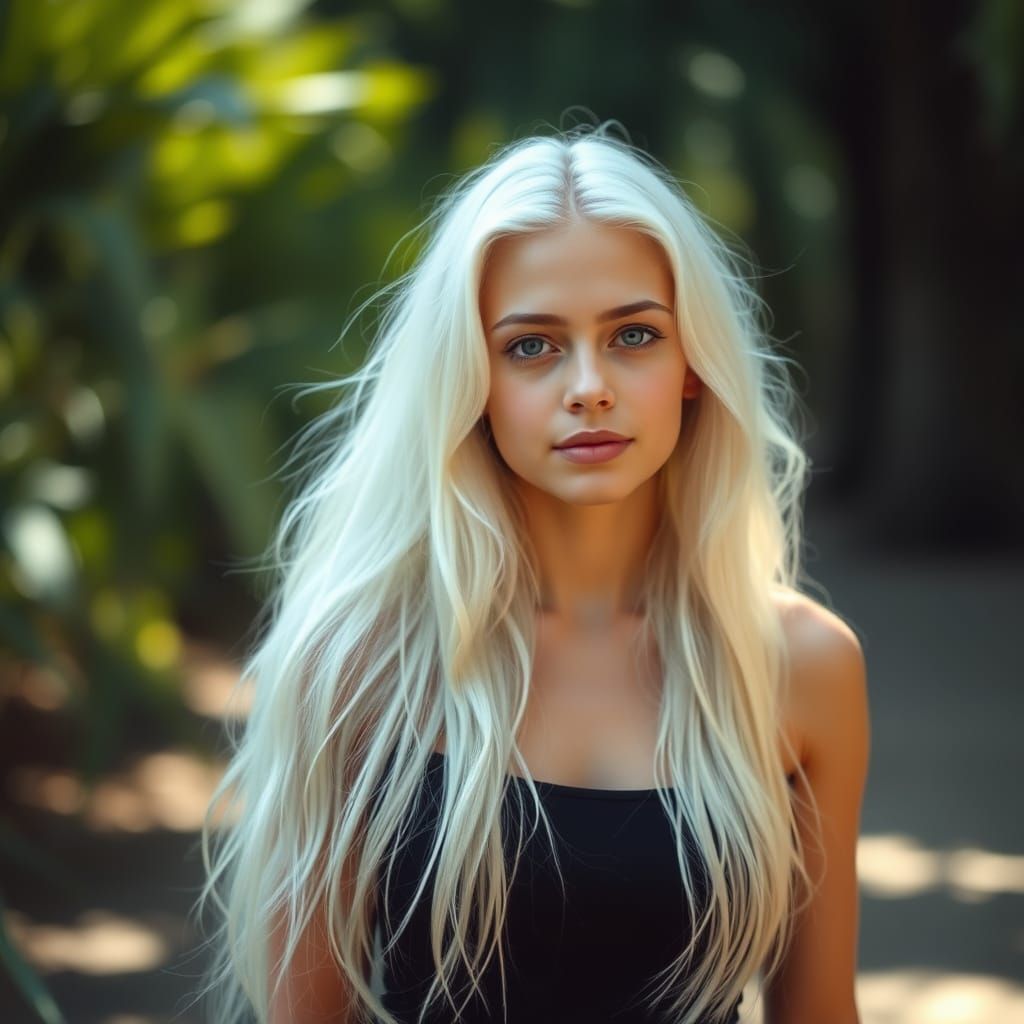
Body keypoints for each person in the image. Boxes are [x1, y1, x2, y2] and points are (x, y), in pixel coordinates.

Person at [191, 122, 870, 1024]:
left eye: (634, 335)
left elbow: (819, 1013)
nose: (588, 385)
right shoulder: (358, 662)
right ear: (470, 378)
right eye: (531, 346)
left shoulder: (803, 666)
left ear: (693, 365)